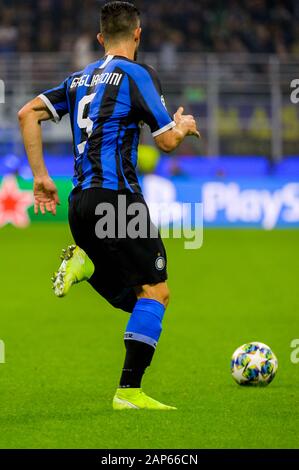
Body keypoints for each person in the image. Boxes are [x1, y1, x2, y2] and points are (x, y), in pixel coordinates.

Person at [18, 1, 200, 410]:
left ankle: (87, 263)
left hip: (79, 203)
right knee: (157, 293)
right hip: (116, 201)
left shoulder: (79, 78)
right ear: (138, 34)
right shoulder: (138, 74)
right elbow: (167, 141)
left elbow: (27, 113)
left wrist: (41, 177)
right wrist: (184, 126)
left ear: (101, 39)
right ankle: (129, 393)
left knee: (139, 298)